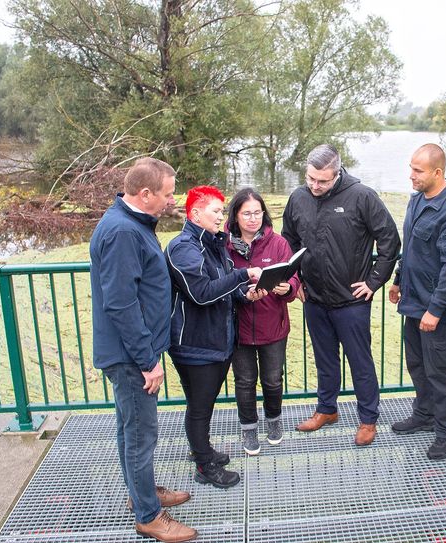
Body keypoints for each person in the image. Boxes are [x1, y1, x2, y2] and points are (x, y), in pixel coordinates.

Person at [90, 157, 196, 543]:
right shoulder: (122, 232)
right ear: (145, 193)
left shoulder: (132, 223)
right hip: (131, 355)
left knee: (130, 428)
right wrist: (147, 360)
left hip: (132, 351)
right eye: (168, 194)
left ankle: (144, 494)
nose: (172, 201)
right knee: (140, 433)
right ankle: (149, 516)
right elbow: (120, 303)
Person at [282, 144, 401, 446]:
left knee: (360, 361)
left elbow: (390, 240)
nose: (315, 186)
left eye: (322, 180)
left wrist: (374, 282)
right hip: (314, 297)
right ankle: (326, 409)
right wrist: (295, 280)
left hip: (352, 301)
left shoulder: (362, 196)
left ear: (337, 172)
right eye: (311, 179)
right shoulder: (298, 197)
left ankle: (368, 419)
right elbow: (288, 241)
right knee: (324, 359)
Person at [165, 186, 263, 489]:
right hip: (195, 345)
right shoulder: (183, 248)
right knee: (200, 406)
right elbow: (202, 293)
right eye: (216, 211)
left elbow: (224, 284)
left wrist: (245, 294)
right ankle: (204, 466)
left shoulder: (212, 244)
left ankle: (203, 452)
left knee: (202, 404)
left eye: (222, 211)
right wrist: (242, 275)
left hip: (216, 342)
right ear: (195, 214)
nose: (222, 217)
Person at [388, 144, 446, 460]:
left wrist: (436, 310)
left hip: (438, 311)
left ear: (437, 172)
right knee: (417, 365)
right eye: (410, 168)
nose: (411, 175)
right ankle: (423, 414)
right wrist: (398, 279)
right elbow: (411, 248)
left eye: (418, 170)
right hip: (414, 301)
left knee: (441, 372)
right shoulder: (416, 201)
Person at [225, 188, 301, 455]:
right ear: (235, 215)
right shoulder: (223, 244)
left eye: (257, 213)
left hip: (273, 325)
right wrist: (242, 294)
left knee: (272, 380)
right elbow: (219, 283)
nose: (253, 218)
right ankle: (248, 430)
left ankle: (274, 422)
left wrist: (288, 288)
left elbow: (293, 276)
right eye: (247, 213)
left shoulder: (278, 243)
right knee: (244, 381)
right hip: (239, 327)